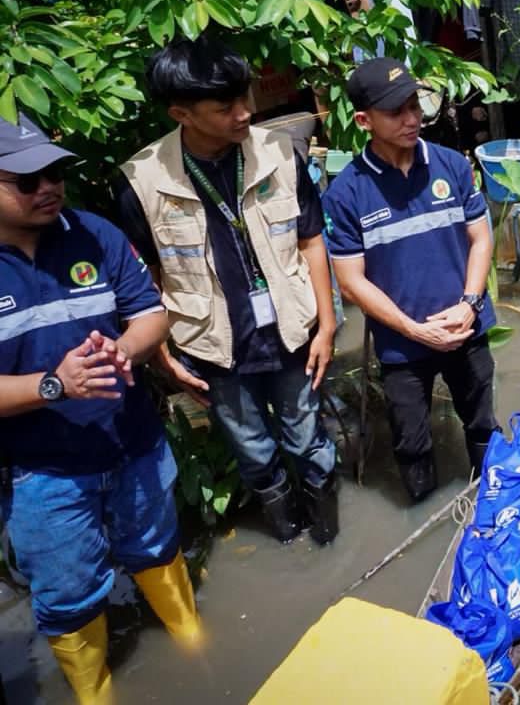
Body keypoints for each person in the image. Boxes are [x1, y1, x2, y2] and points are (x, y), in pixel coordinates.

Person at [0, 115, 203, 703]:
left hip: (131, 442)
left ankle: (194, 644)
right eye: (27, 178)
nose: (48, 187)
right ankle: (96, 693)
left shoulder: (95, 234)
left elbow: (152, 313)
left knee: (156, 545)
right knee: (66, 592)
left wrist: (124, 348)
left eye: (55, 173)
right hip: (42, 471)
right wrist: (54, 385)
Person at [117, 36, 340, 545]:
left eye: (246, 98)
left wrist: (326, 324)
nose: (245, 113)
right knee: (254, 450)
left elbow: (310, 240)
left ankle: (327, 536)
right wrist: (160, 354)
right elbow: (144, 278)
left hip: (291, 332)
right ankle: (287, 532)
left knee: (308, 437)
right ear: (182, 113)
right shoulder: (141, 181)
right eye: (227, 107)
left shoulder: (278, 153)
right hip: (215, 347)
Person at [323, 57, 497, 501]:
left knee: (480, 422)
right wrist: (414, 329)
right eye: (395, 111)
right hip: (402, 344)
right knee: (411, 441)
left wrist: (469, 305)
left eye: (414, 105)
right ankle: (423, 511)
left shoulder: (452, 165)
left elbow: (480, 239)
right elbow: (350, 282)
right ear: (364, 121)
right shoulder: (346, 192)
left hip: (465, 327)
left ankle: (496, 498)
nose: (411, 118)